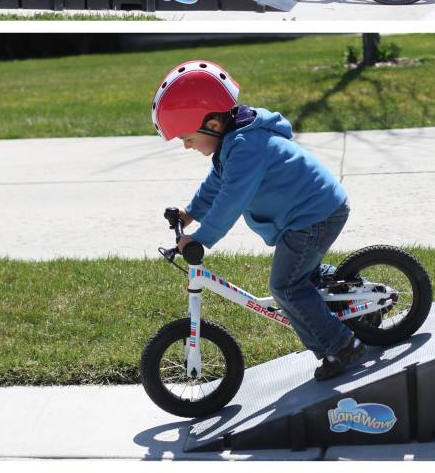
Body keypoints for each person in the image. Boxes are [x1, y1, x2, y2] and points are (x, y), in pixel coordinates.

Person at [152, 59, 363, 380]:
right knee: (299, 275)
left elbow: (230, 200)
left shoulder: (247, 148)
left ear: (211, 122)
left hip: (314, 215)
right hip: (307, 213)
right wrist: (190, 213)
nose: (186, 146)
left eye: (187, 137)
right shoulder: (233, 143)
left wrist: (201, 238)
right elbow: (215, 185)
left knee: (285, 286)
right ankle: (338, 288)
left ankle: (342, 344)